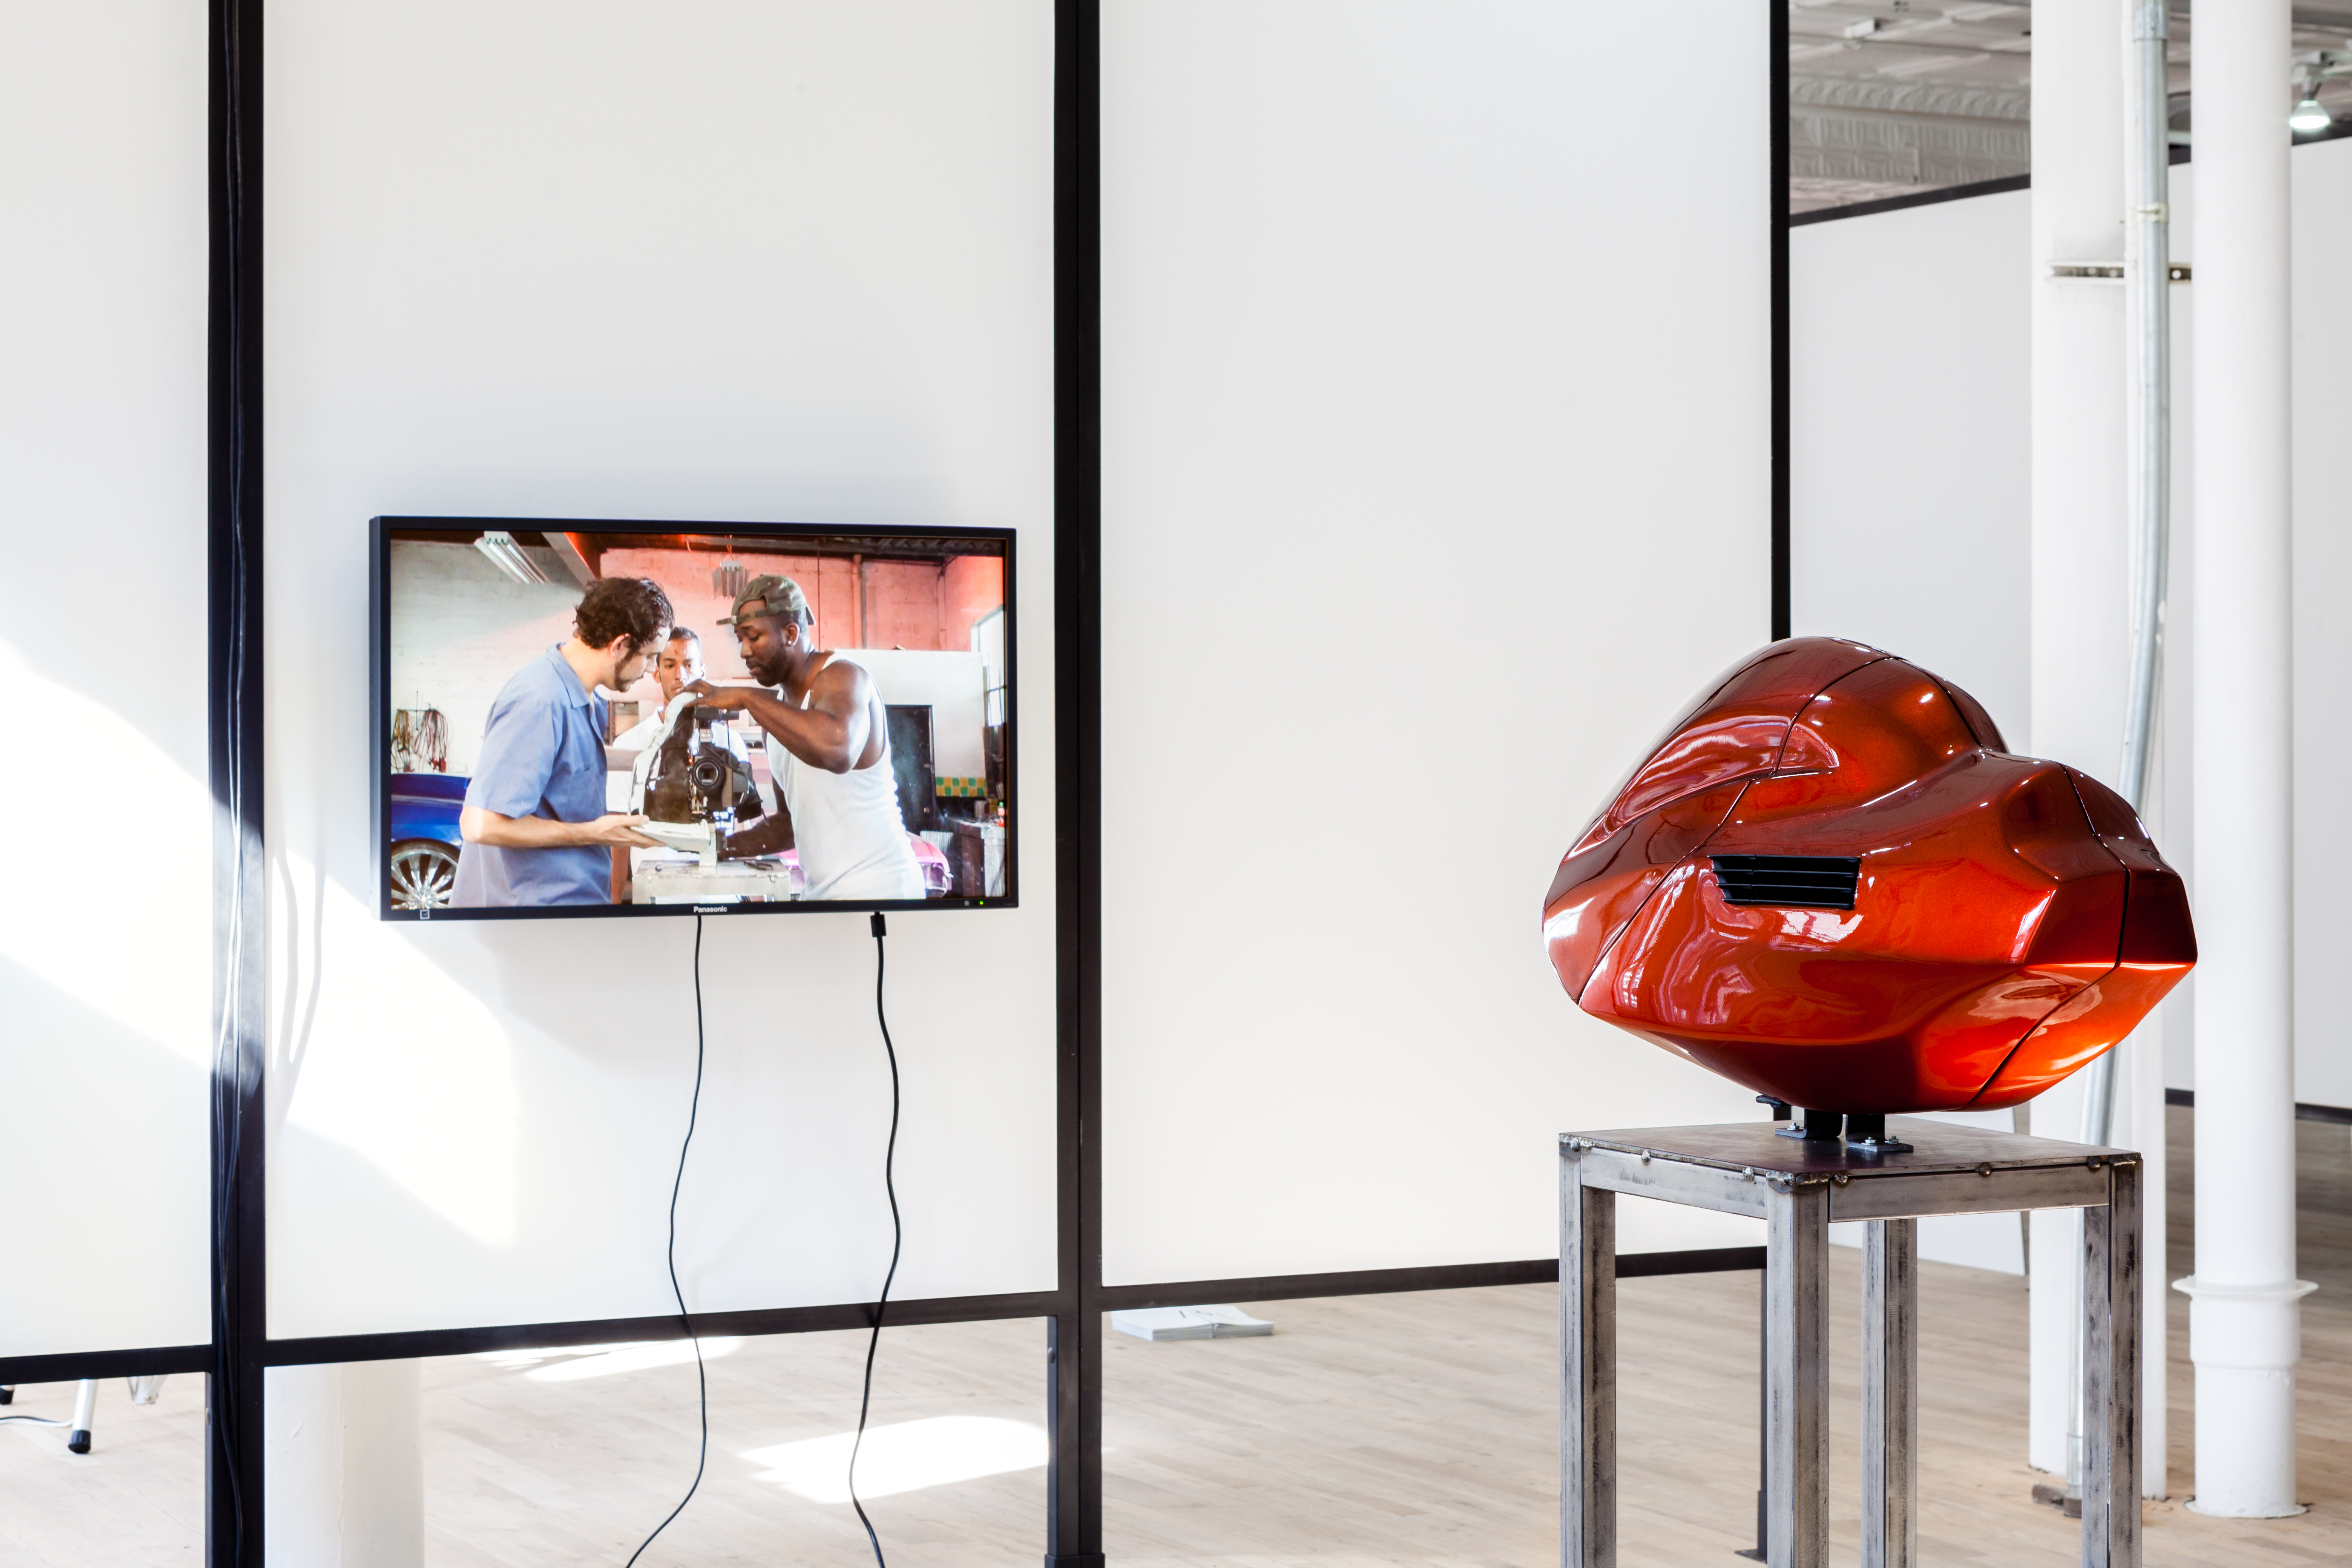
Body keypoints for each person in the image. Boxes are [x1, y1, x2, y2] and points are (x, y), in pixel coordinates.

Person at [685, 573, 923, 902]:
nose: (744, 652)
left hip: (881, 889)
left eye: (753, 637)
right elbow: (788, 824)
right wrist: (716, 847)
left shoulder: (843, 677)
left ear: (791, 633)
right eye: (741, 639)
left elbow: (837, 750)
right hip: (823, 894)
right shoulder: (778, 717)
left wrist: (748, 697)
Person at [450, 576, 673, 907]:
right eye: (651, 656)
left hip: (566, 913)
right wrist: (594, 833)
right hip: (529, 921)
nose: (653, 669)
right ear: (620, 646)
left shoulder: (584, 699)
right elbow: (480, 825)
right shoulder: (540, 700)